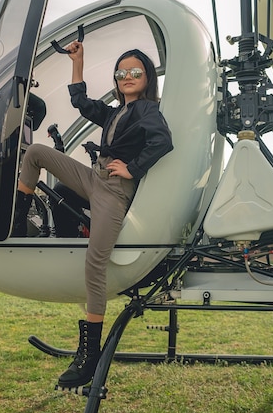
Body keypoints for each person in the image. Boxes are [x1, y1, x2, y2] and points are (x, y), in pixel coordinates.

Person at [13, 42, 173, 387]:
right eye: (121, 72)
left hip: (114, 192)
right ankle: (18, 221)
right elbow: (81, 103)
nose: (127, 77)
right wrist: (78, 61)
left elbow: (162, 142)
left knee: (95, 263)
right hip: (92, 177)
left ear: (146, 78)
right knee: (37, 152)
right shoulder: (115, 111)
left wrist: (132, 168)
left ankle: (88, 356)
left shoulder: (148, 110)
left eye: (135, 72)